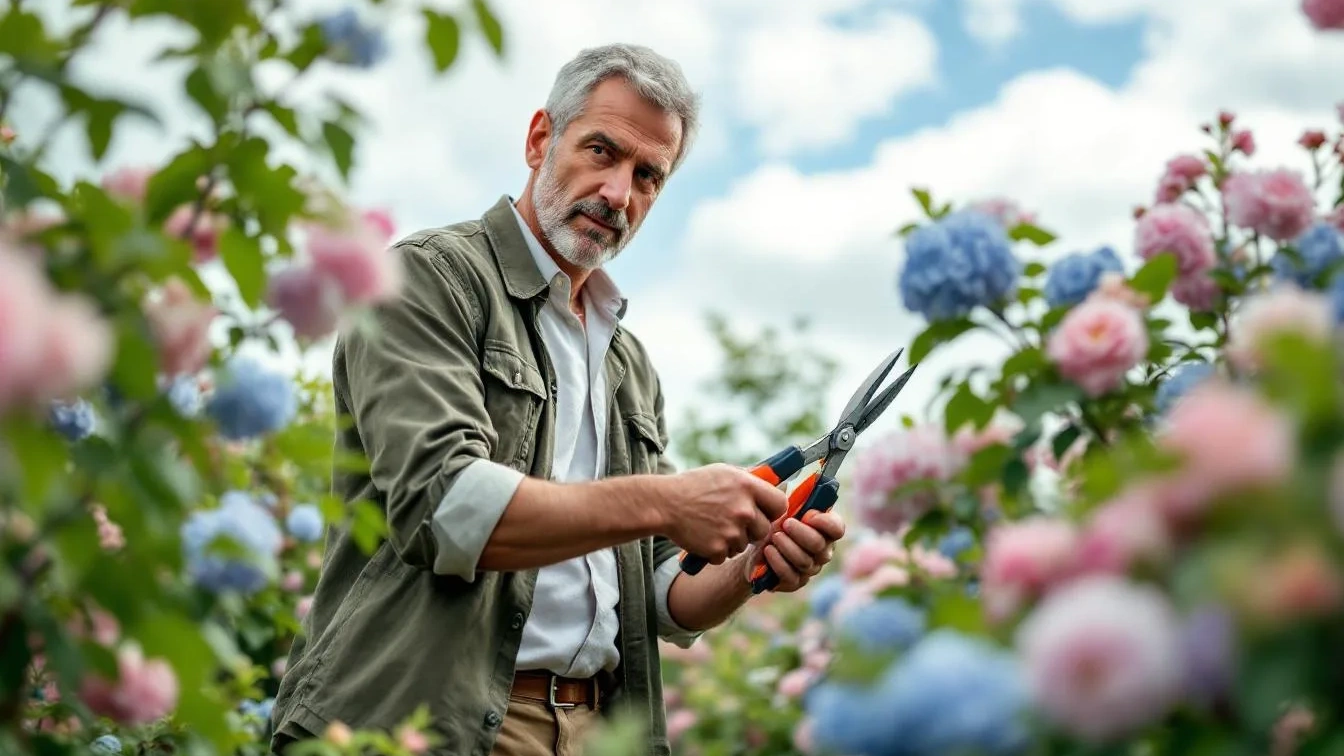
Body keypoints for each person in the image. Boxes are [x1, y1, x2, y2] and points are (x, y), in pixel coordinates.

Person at [269, 43, 846, 756]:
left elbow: (659, 593)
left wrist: (749, 567)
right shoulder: (431, 279)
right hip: (423, 723)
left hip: (595, 728)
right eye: (601, 151)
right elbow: (445, 510)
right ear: (541, 137)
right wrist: (668, 501)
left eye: (647, 176)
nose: (617, 193)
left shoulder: (627, 361)